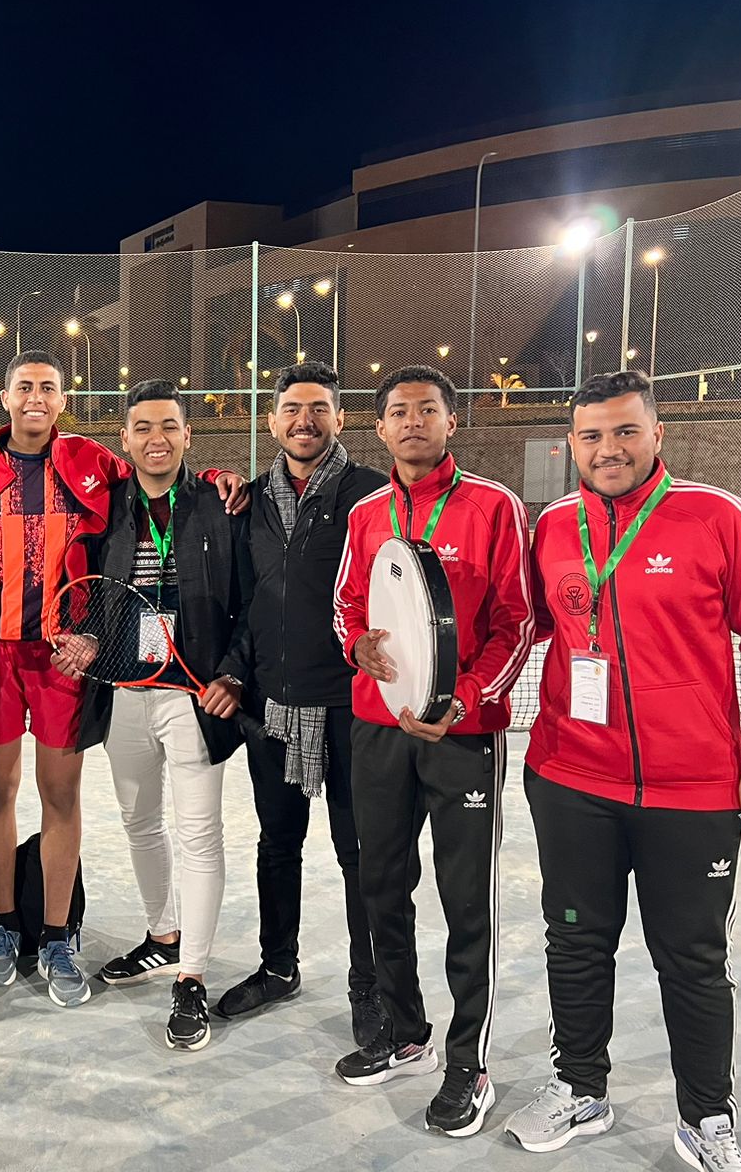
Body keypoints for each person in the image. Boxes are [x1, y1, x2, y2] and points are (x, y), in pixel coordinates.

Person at [504, 371, 741, 1170]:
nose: (609, 449)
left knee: (693, 960)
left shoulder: (716, 516)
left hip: (693, 793)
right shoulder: (553, 526)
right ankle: (580, 1087)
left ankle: (705, 1118)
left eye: (625, 431)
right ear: (572, 446)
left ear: (657, 434)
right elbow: (523, 625)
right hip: (571, 779)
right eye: (592, 436)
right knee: (574, 941)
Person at [0, 351, 244, 1007]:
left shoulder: (92, 461)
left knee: (61, 796)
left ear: (64, 400)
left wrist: (216, 476)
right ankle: (5, 925)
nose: (35, 397)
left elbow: (157, 471)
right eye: (24, 387)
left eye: (48, 388)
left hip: (68, 658)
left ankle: (58, 936)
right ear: (5, 397)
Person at [331, 364, 534, 1139]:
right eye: (398, 411)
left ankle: (468, 1062)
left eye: (427, 410)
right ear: (378, 427)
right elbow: (348, 604)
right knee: (382, 883)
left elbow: (518, 622)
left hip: (463, 736)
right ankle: (402, 1029)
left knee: (465, 900)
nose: (412, 421)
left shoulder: (494, 506)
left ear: (453, 421)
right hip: (378, 727)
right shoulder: (367, 513)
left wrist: (467, 698)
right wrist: (358, 647)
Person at [211, 362, 390, 1048]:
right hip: (273, 707)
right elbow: (247, 602)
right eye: (291, 409)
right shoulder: (251, 500)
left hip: (349, 706)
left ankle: (368, 988)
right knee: (278, 846)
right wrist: (235, 670)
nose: (304, 421)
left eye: (318, 409)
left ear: (341, 419)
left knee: (358, 855)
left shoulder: (371, 495)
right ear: (272, 420)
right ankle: (278, 968)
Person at [66, 380, 247, 1050]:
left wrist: (232, 673)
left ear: (187, 434)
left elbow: (249, 601)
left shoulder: (220, 504)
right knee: (140, 824)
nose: (156, 439)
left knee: (199, 835)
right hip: (125, 692)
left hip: (194, 698)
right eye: (142, 427)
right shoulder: (108, 509)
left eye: (169, 425)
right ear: (125, 439)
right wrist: (88, 639)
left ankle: (191, 977)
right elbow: (94, 597)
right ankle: (162, 936)